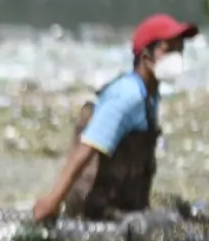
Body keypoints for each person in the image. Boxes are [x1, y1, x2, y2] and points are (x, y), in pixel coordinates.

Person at [33, 13, 198, 222]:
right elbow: (86, 148)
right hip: (97, 209)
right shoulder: (127, 95)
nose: (177, 57)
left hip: (125, 206)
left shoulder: (150, 93)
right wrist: (53, 201)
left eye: (180, 50)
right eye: (168, 50)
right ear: (146, 57)